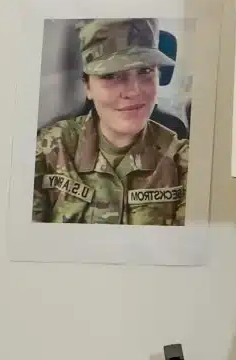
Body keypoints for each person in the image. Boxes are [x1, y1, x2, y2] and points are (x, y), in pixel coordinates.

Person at [33, 19, 188, 225]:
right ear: (87, 86)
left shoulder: (182, 162)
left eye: (146, 71)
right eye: (112, 75)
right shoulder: (49, 150)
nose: (133, 91)